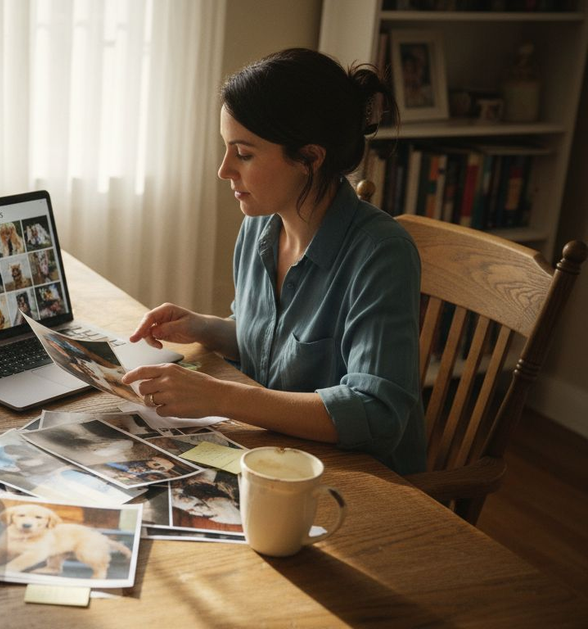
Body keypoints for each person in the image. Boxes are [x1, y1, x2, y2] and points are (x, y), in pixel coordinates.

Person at [122, 48, 426, 475]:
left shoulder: (381, 253)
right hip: (276, 456)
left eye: (243, 154)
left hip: (357, 478)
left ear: (310, 159)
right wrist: (205, 328)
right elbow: (274, 348)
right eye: (227, 149)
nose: (224, 170)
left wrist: (221, 397)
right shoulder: (260, 227)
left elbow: (377, 414)